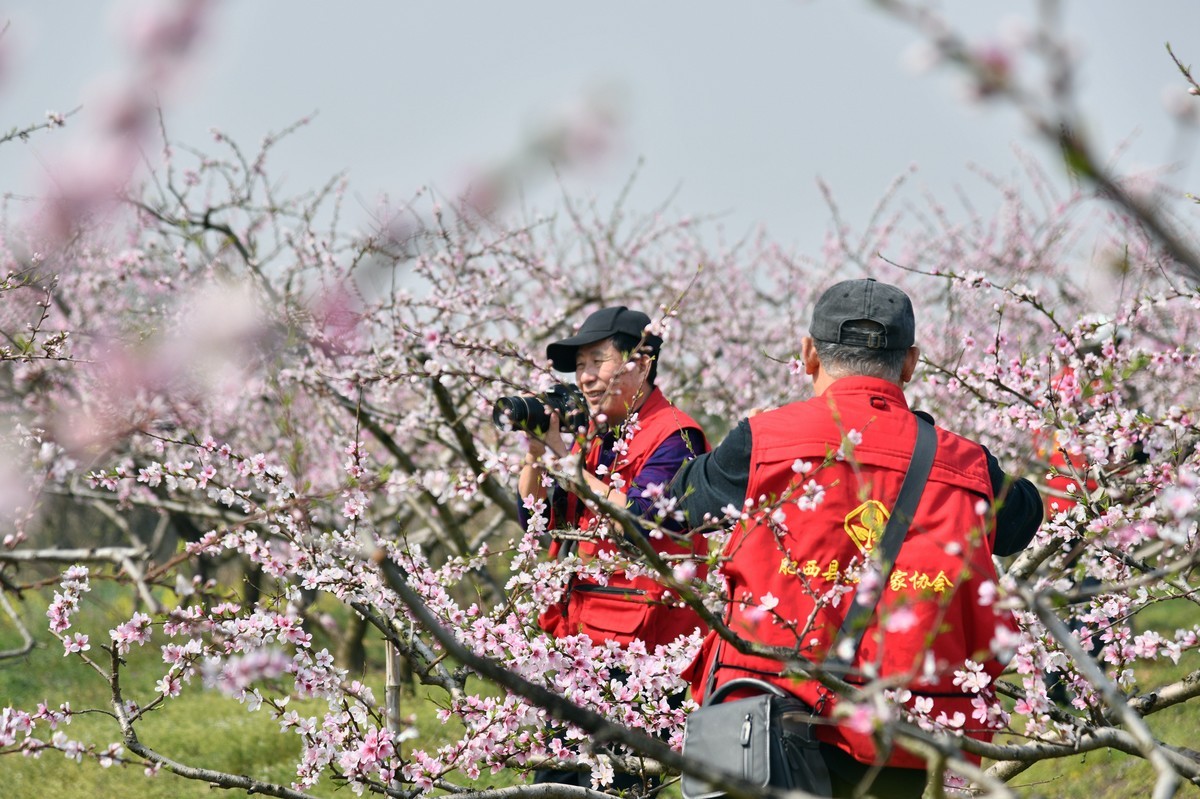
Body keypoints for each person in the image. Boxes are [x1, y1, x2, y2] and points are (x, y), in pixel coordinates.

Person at [669, 279, 1042, 798]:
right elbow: (1026, 518)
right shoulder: (967, 464)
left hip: (767, 729)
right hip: (905, 737)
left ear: (807, 355)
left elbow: (676, 506)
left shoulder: (762, 442)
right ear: (910, 363)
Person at [516, 305, 709, 791]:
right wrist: (539, 451)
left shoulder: (676, 436)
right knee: (555, 785)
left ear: (641, 363)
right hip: (580, 643)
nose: (584, 377)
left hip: (640, 657)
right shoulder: (595, 438)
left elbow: (639, 521)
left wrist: (569, 460)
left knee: (615, 788)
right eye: (579, 366)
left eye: (597, 361)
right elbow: (538, 521)